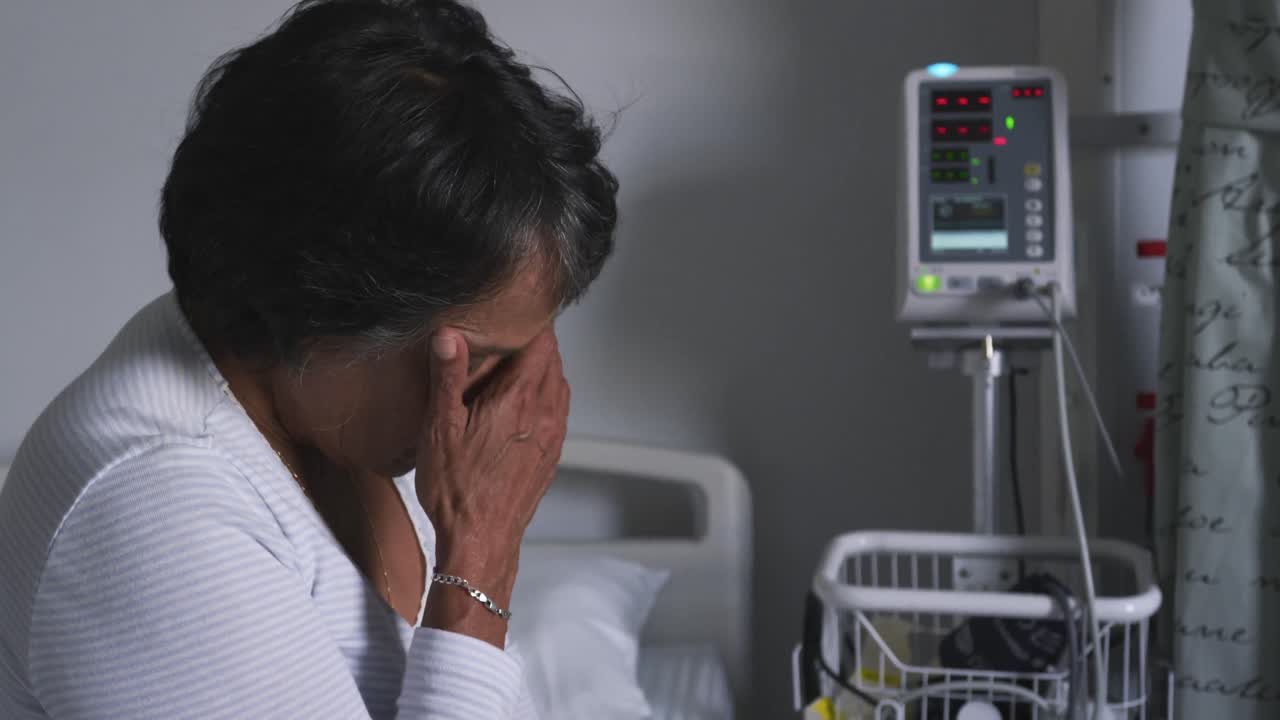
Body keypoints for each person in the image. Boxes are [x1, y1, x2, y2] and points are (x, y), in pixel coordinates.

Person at [0, 0, 617, 717]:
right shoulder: (153, 518)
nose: (512, 405)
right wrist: (481, 561)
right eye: (484, 359)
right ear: (326, 303)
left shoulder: (320, 405)